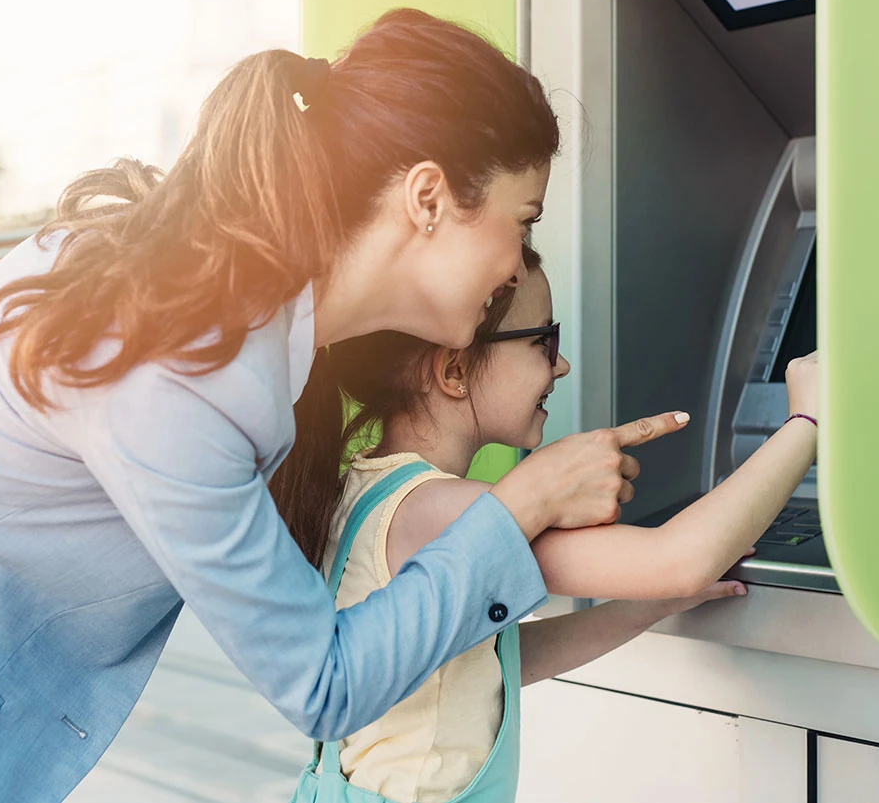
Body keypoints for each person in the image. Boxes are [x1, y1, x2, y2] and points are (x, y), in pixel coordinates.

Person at [0, 9, 688, 803]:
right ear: (428, 199)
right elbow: (324, 683)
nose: (519, 262)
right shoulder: (182, 363)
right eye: (522, 222)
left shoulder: (238, 313)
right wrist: (525, 502)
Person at [286, 245, 819, 803]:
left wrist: (654, 605)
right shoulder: (438, 511)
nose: (560, 365)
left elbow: (494, 664)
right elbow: (679, 560)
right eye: (545, 341)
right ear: (453, 370)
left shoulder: (365, 486)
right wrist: (807, 420)